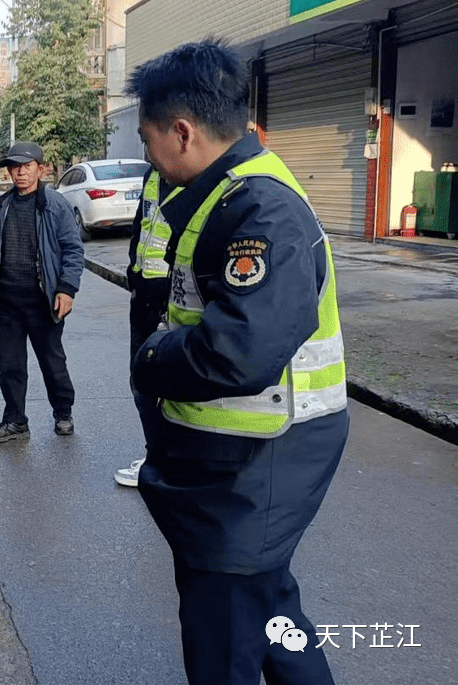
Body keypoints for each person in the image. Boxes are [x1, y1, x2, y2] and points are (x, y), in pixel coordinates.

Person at [127, 40, 348, 685]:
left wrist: (153, 356)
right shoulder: (216, 192)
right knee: (272, 611)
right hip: (239, 456)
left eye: (147, 141)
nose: (147, 156)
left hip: (259, 462)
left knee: (222, 632)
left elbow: (241, 349)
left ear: (183, 131)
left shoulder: (261, 209)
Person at [0, 141, 84, 442]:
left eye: (26, 166)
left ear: (40, 169)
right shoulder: (4, 205)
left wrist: (67, 290)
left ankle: (63, 413)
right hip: (9, 301)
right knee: (11, 367)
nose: (19, 172)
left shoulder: (54, 204)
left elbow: (73, 249)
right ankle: (15, 420)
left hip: (43, 301)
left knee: (52, 363)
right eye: (14, 166)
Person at [113, 168, 181, 487]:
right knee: (141, 380)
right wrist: (134, 275)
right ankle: (156, 456)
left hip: (172, 297)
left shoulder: (196, 175)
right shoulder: (152, 176)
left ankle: (166, 462)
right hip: (143, 292)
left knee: (167, 385)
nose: (148, 147)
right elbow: (142, 224)